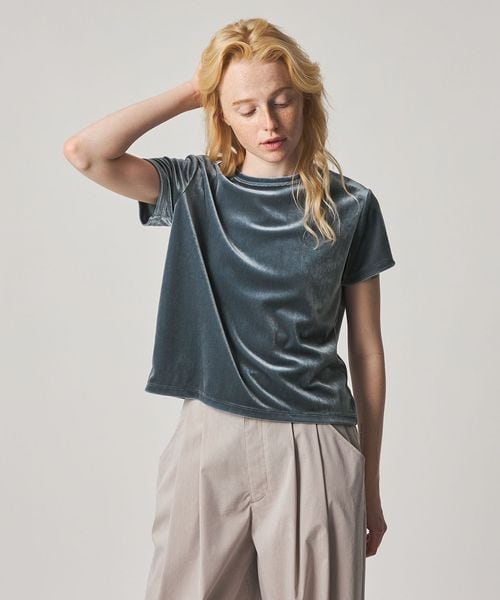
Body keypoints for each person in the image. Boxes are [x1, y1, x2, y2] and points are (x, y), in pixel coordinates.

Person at [63, 17, 395, 600]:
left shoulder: (352, 206)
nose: (269, 122)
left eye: (282, 100)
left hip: (313, 436)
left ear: (305, 98)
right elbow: (86, 153)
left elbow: (367, 350)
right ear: (221, 112)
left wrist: (369, 481)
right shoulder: (195, 188)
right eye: (245, 107)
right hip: (209, 434)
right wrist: (196, 89)